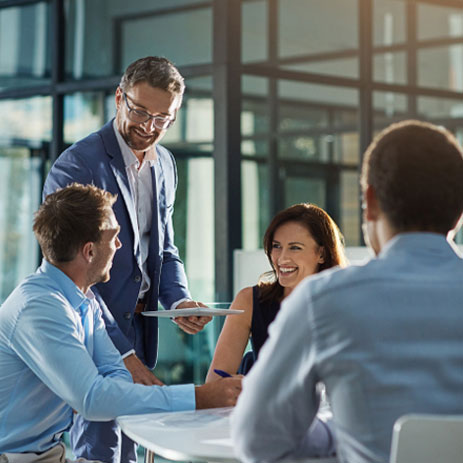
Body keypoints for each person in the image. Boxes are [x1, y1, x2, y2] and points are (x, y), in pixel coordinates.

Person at [231, 120, 463, 463]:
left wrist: (342, 435)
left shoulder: (322, 300)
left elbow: (256, 440)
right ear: (458, 211)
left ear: (370, 202)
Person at [42, 57, 211, 462]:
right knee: (100, 443)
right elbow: (73, 275)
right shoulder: (77, 165)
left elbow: (164, 248)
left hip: (143, 322)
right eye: (139, 111)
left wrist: (179, 301)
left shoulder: (165, 164)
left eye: (162, 118)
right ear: (119, 97)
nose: (149, 126)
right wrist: (120, 352)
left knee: (137, 437)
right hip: (95, 326)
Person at [0, 184, 241, 463]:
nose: (119, 245)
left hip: (43, 455)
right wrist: (200, 397)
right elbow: (93, 399)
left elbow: (117, 376)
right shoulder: (40, 307)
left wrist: (112, 393)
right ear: (89, 251)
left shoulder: (83, 300)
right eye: (113, 237)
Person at [206, 203, 346, 381]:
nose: (282, 258)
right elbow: (214, 384)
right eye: (276, 246)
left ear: (322, 254)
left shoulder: (344, 303)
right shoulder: (249, 301)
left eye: (295, 247)